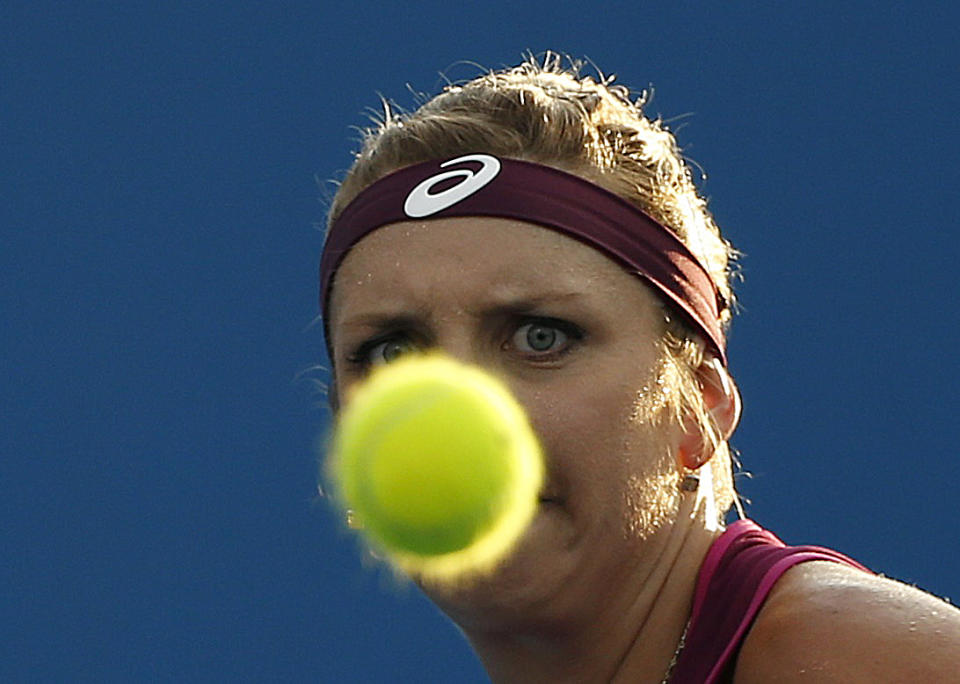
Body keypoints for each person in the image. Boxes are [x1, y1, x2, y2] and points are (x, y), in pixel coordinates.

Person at [318, 54, 960, 682]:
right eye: (392, 354)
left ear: (700, 405)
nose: (449, 413)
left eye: (542, 337)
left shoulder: (848, 660)